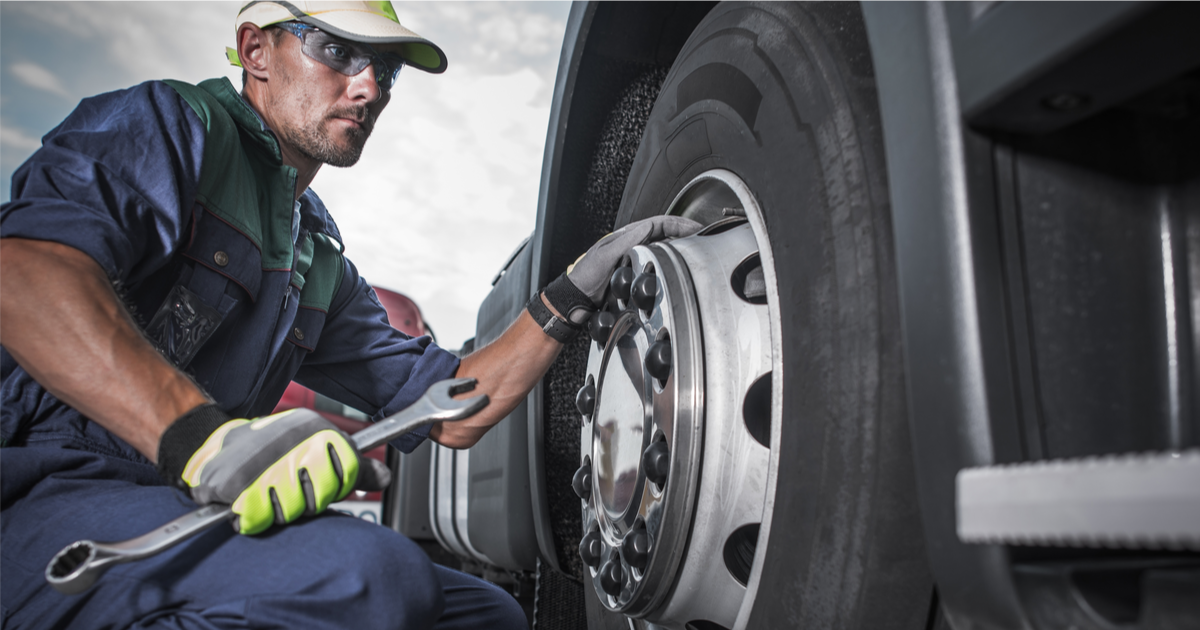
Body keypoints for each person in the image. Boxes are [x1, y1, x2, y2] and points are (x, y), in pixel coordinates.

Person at [0, 1, 699, 628]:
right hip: (47, 496)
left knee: (483, 617)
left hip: (179, 502)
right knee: (370, 579)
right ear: (256, 51)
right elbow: (24, 276)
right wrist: (204, 441)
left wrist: (570, 294)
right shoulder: (172, 127)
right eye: (336, 51)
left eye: (385, 71)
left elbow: (452, 410)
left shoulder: (315, 258)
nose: (368, 87)